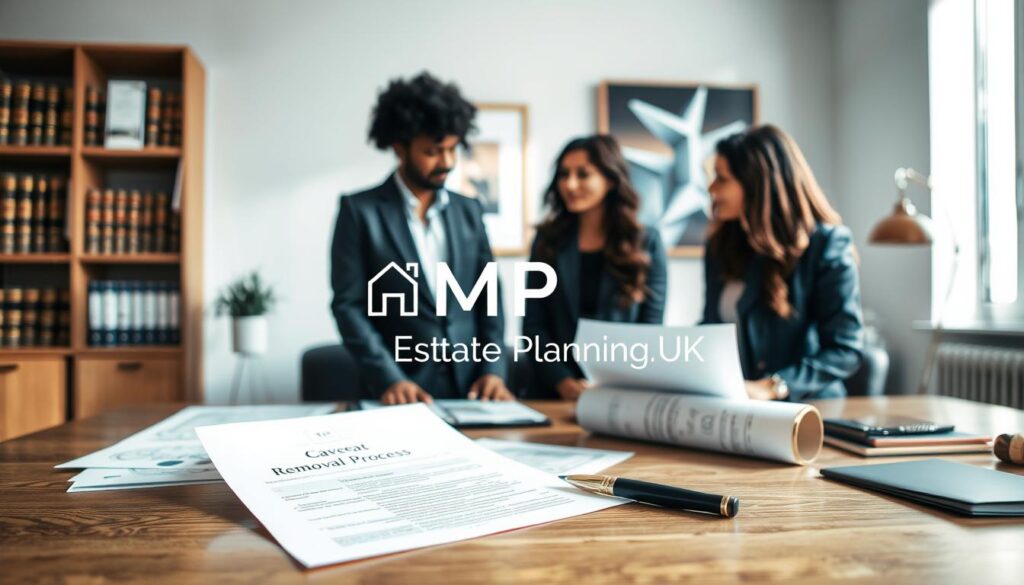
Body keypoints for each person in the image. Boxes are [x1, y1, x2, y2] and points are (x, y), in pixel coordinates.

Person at [330, 72, 512, 404]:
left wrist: (493, 369)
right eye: (433, 151)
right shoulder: (359, 211)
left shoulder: (469, 210)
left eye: (453, 149)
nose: (447, 162)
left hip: (471, 391)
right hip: (394, 393)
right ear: (399, 148)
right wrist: (389, 378)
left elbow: (489, 297)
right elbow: (348, 306)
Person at [703, 124, 864, 401]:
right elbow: (710, 328)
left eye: (722, 178)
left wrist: (773, 387)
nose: (711, 188)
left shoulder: (826, 245)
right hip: (740, 405)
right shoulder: (721, 245)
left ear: (756, 184)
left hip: (810, 407)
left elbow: (845, 350)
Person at [523, 135, 667, 401]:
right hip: (553, 393)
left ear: (611, 180)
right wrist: (563, 382)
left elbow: (651, 330)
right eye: (564, 175)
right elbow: (534, 325)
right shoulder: (547, 242)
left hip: (622, 393)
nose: (570, 184)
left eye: (583, 174)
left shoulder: (647, 242)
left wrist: (611, 386)